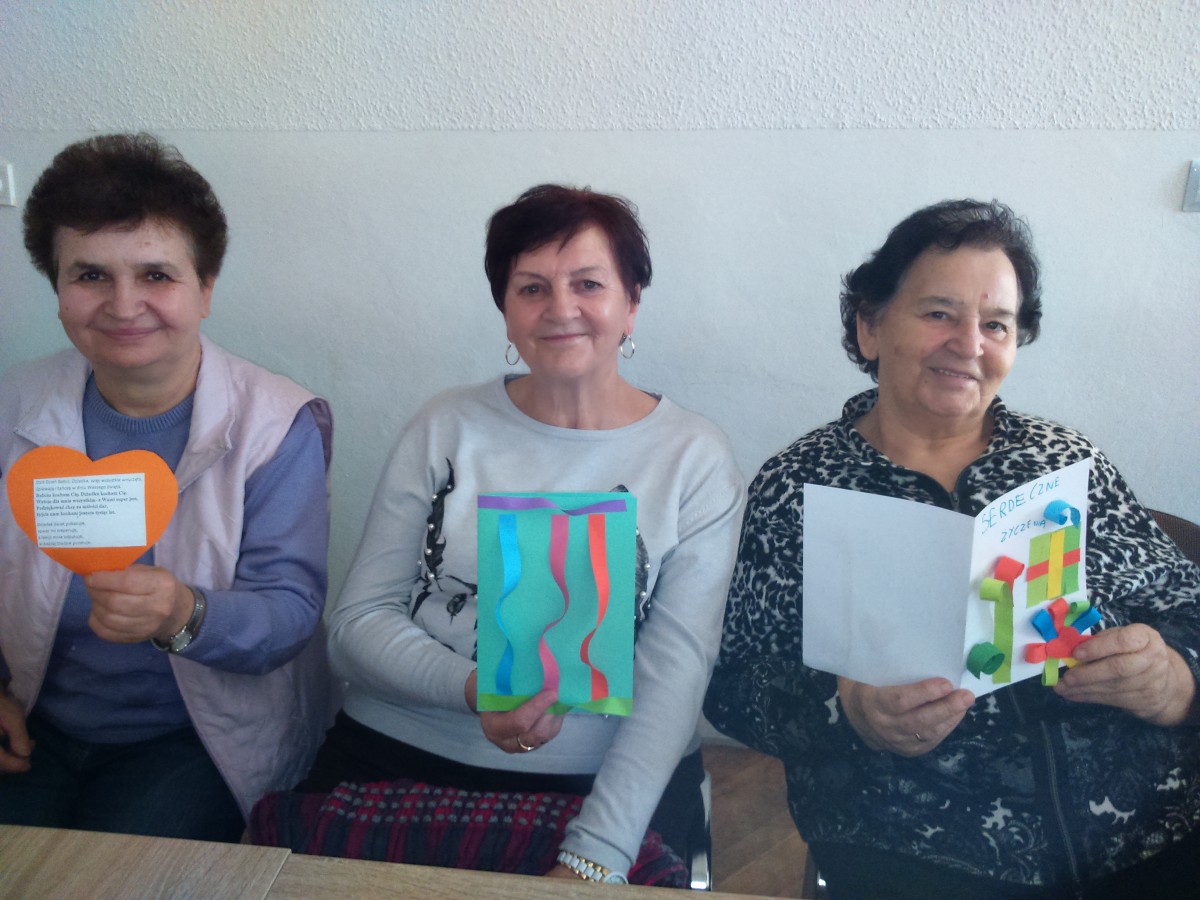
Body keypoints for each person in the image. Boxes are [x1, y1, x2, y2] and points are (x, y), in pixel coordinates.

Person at [704, 199, 1200, 899]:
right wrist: (846, 710)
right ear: (870, 326)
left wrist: (1175, 678)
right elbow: (733, 684)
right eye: (940, 313)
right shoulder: (799, 487)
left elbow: (1184, 603)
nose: (969, 344)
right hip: (918, 849)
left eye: (996, 324)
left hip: (1154, 827)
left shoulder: (1065, 462)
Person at [257, 184, 745, 884]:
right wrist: (474, 689)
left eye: (588, 284)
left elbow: (677, 673)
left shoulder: (693, 457)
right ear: (506, 312)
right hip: (397, 755)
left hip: (602, 781)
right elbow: (356, 626)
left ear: (632, 302)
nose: (561, 309)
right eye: (532, 288)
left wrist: (594, 857)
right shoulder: (445, 425)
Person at [0, 134, 334, 842]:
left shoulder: (276, 424)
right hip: (34, 723)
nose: (124, 305)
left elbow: (290, 612)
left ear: (205, 289)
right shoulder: (12, 406)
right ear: (56, 290)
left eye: (156, 274)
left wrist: (185, 612)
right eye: (90, 274)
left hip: (194, 740)